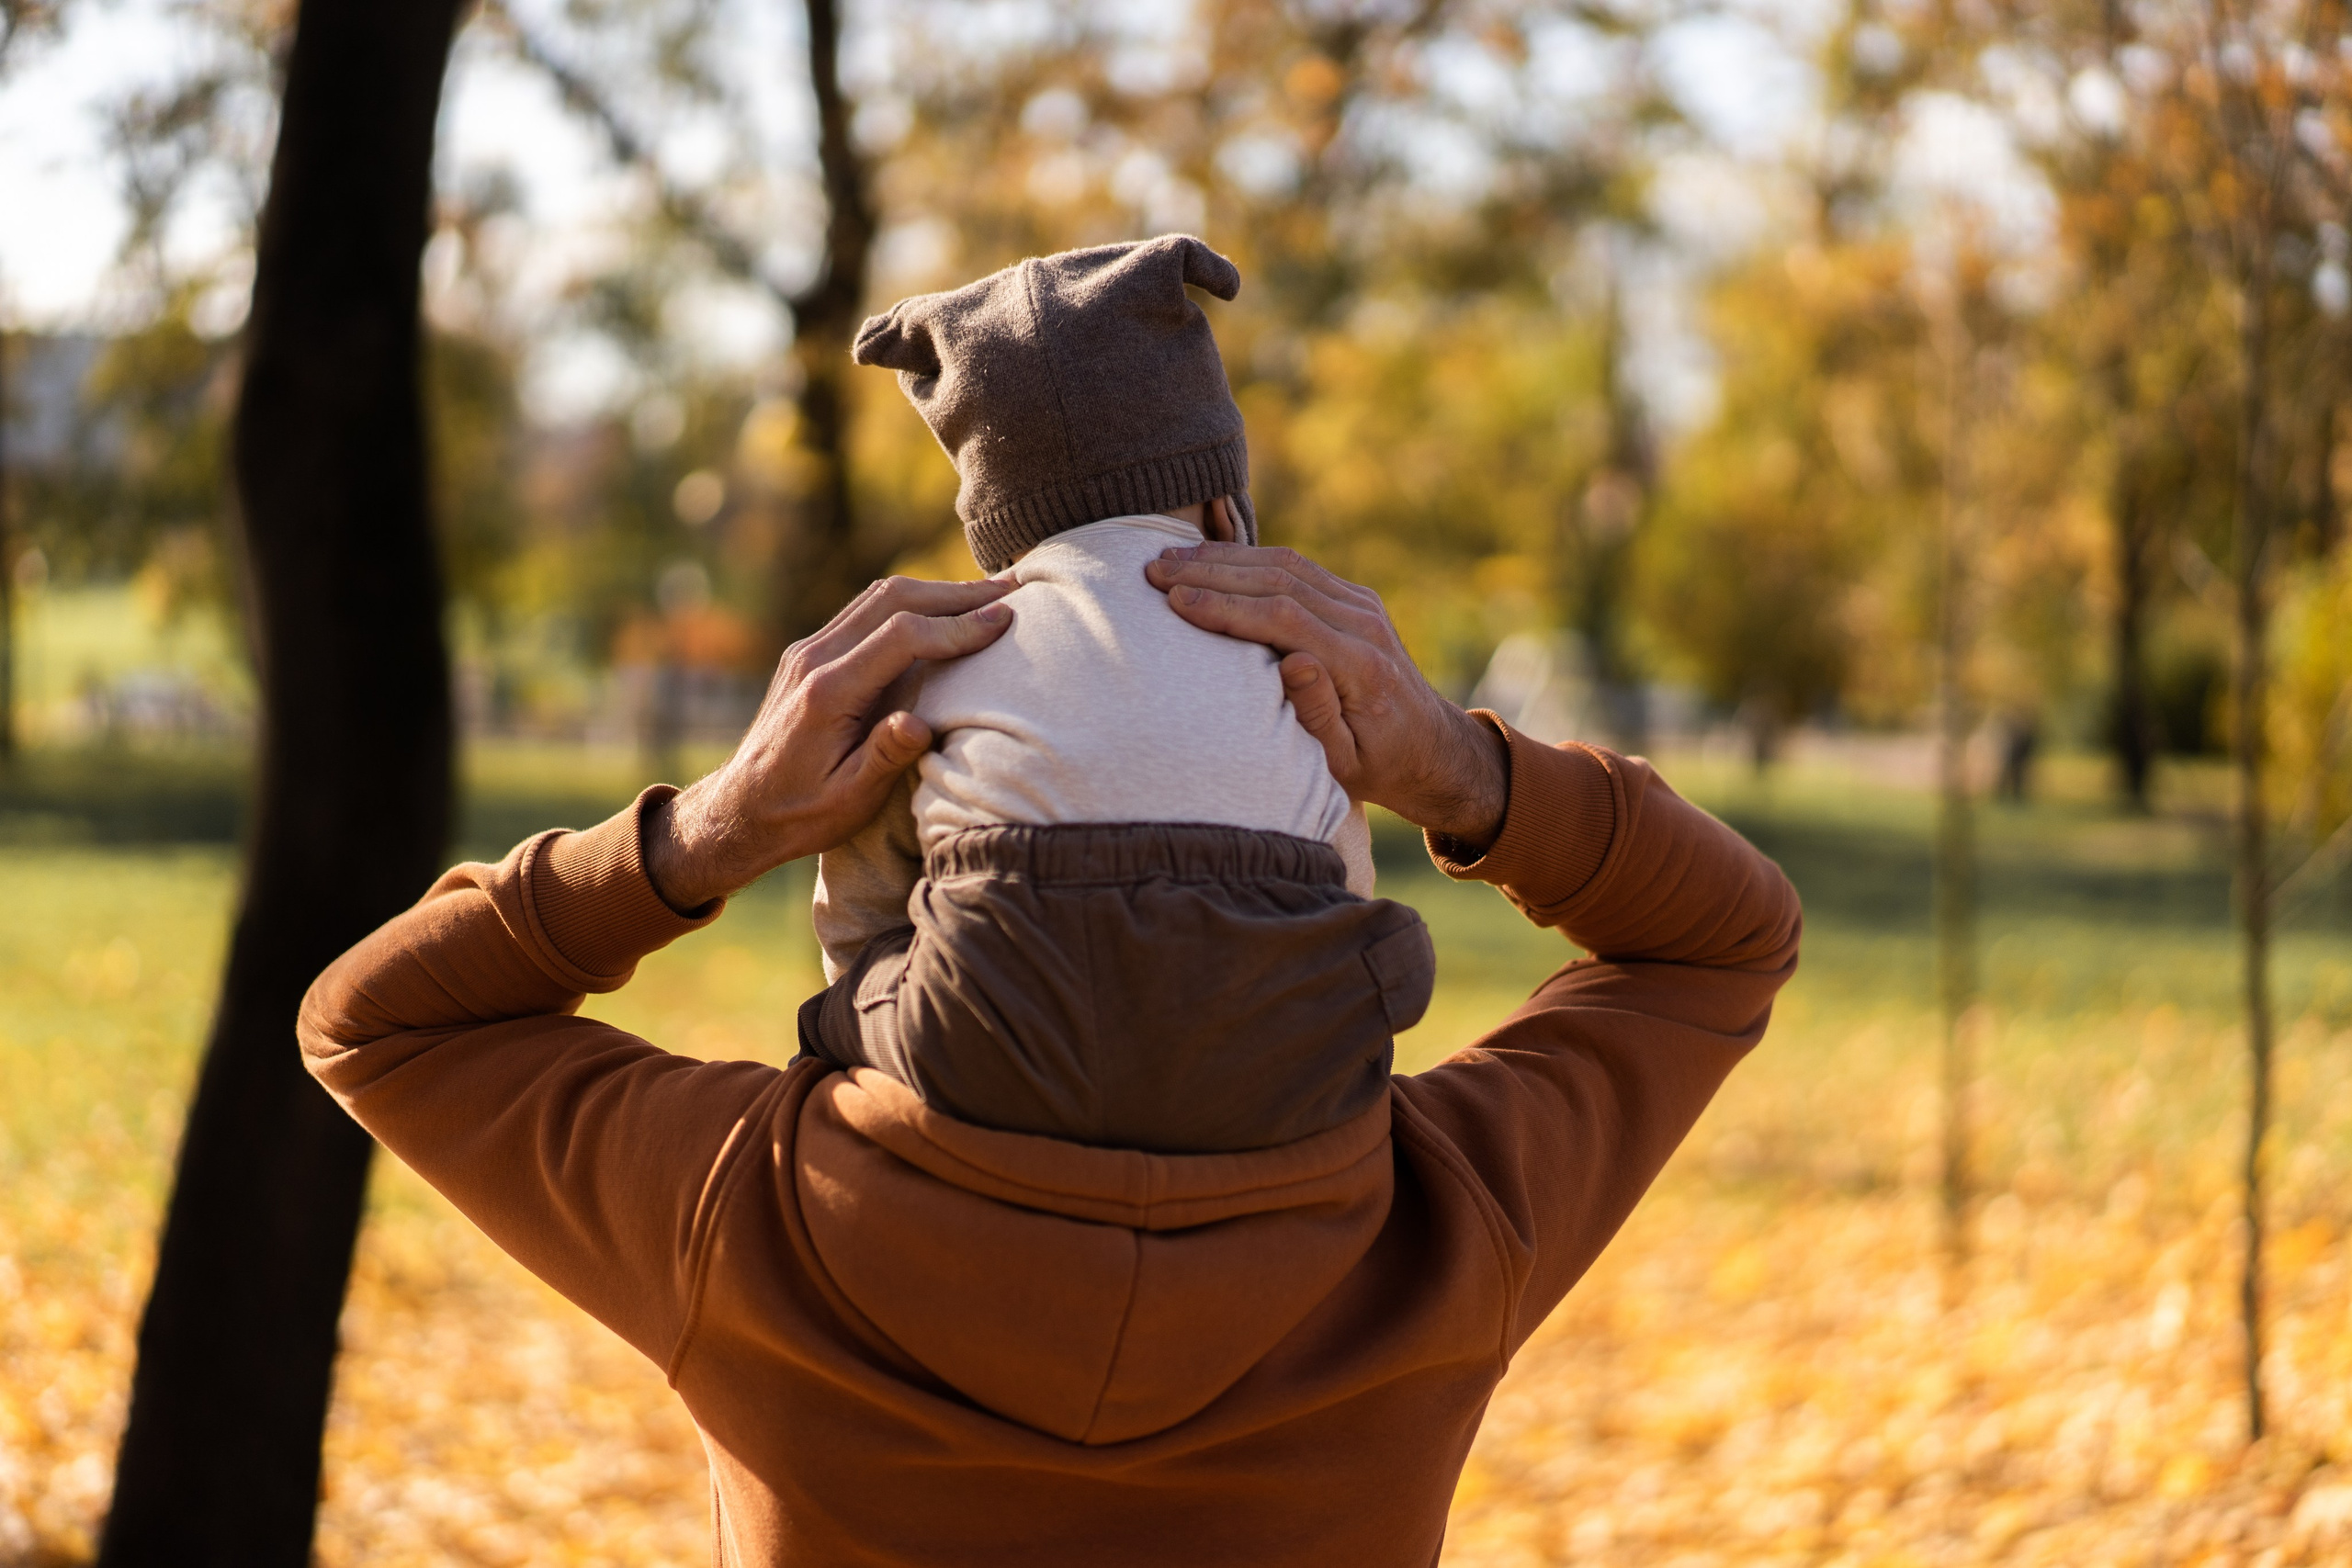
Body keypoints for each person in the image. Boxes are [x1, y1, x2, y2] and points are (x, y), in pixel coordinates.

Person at [299, 543, 1802, 1565]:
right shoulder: (1434, 1224)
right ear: (1323, 888)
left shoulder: (749, 1209)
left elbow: (374, 1018)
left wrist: (709, 831)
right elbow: (1722, 939)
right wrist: (1465, 771)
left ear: (894, 902)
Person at [808, 235, 1411, 1153]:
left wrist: (871, 1006)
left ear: (1000, 532)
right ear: (1221, 504)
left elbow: (860, 899)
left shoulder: (947, 644)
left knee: (838, 1016)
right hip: (1281, 1054)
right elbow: (1342, 866)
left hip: (994, 1028)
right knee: (1380, 953)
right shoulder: (1290, 641)